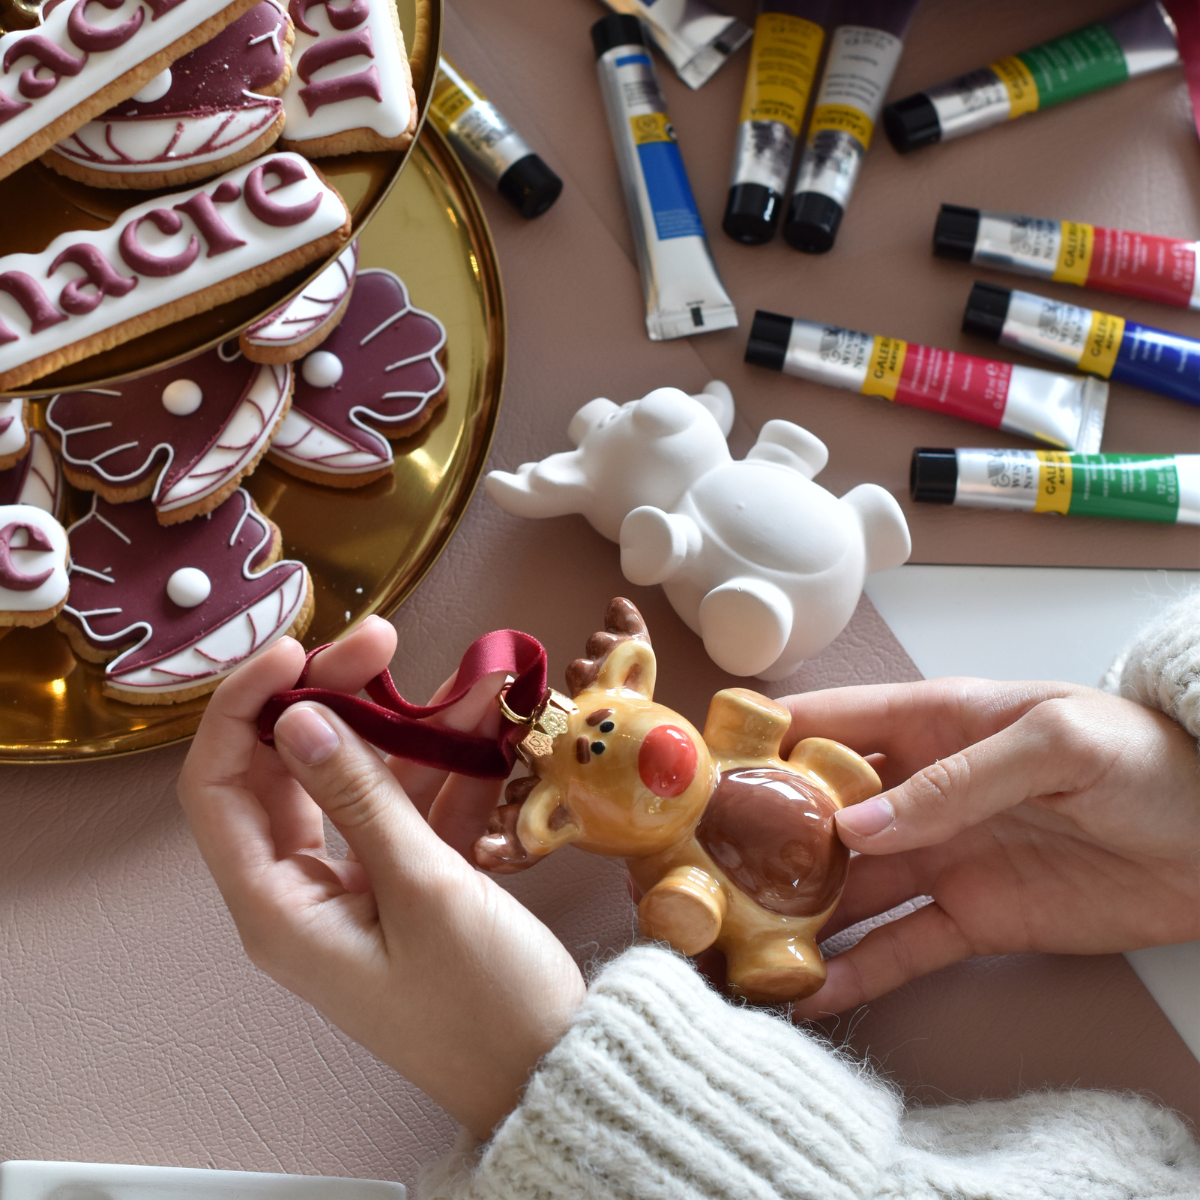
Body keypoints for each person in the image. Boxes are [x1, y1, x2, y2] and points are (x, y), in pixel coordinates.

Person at [177, 592, 1200, 1199]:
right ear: (559, 826)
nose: (633, 749)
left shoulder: (728, 746)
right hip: (769, 869)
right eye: (593, 757)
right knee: (715, 921)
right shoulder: (664, 858)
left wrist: (545, 1078)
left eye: (609, 723)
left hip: (802, 794)